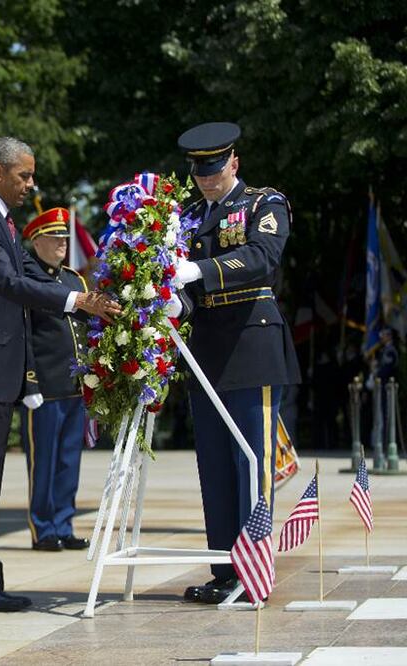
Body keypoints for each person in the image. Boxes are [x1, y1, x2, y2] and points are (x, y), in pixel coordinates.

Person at [0, 137, 118, 612]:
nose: (30, 184)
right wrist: (74, 300)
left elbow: (31, 277)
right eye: (24, 176)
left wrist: (89, 295)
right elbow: (8, 282)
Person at [173, 122, 301, 604]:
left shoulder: (263, 203)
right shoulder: (186, 215)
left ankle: (255, 572)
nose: (207, 178)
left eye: (215, 167)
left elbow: (261, 257)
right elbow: (184, 287)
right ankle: (226, 569)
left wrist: (199, 271)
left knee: (252, 464)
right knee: (215, 468)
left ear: (234, 163)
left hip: (251, 347)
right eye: (199, 170)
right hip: (205, 350)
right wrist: (175, 300)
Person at [20, 207, 92, 552]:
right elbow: (25, 337)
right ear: (36, 241)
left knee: (68, 461)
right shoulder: (29, 281)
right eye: (55, 238)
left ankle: (64, 523)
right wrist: (29, 381)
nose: (63, 243)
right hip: (45, 388)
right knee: (43, 462)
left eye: (65, 237)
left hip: (74, 386)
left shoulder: (74, 281)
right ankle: (43, 528)